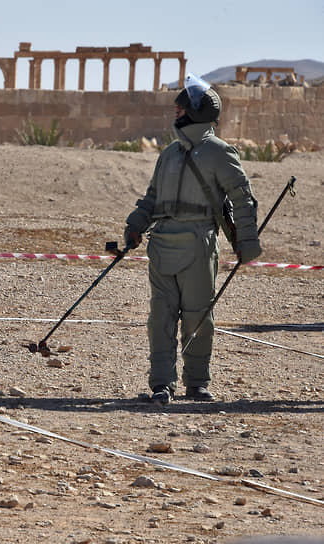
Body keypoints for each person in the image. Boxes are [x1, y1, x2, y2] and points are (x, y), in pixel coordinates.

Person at [123, 74, 261, 404]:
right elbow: (152, 197)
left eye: (182, 108)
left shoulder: (219, 153)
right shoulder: (169, 153)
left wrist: (247, 242)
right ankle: (161, 383)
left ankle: (197, 383)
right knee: (161, 318)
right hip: (162, 246)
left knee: (199, 316)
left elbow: (242, 199)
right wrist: (135, 225)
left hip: (199, 245)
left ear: (197, 112)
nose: (176, 112)